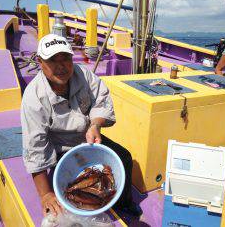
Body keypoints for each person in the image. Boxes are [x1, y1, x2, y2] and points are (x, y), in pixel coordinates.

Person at [21, 34, 142, 217]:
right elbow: (36, 147)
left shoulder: (83, 74)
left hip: (87, 137)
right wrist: (45, 194)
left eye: (66, 58)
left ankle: (123, 203)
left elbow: (101, 100)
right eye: (53, 60)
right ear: (40, 62)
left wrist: (95, 125)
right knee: (65, 189)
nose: (61, 66)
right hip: (59, 147)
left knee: (124, 157)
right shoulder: (33, 98)